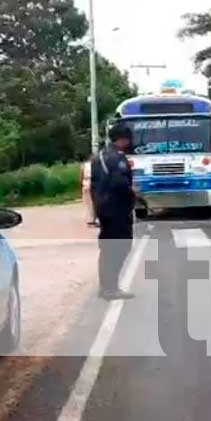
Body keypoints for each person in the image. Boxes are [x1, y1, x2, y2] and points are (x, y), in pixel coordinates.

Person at [91, 125, 136, 300]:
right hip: (118, 211)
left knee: (107, 250)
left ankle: (106, 287)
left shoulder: (98, 157)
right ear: (123, 139)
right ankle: (111, 289)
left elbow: (94, 186)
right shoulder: (118, 158)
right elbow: (120, 184)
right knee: (120, 248)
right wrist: (134, 191)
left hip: (104, 210)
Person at [80, 155, 97, 226]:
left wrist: (81, 184)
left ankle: (90, 219)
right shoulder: (96, 165)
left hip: (86, 183)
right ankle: (94, 219)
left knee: (88, 203)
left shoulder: (84, 165)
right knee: (95, 202)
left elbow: (81, 176)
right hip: (93, 184)